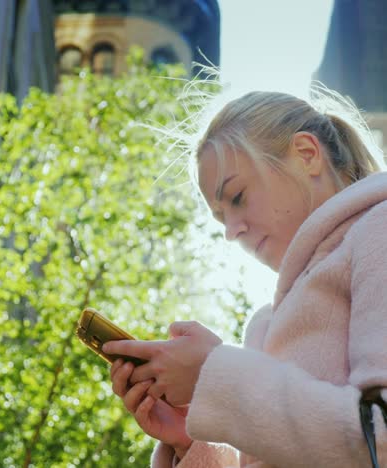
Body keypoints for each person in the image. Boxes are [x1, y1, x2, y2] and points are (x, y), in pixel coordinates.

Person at [102, 86, 387, 467]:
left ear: (307, 154)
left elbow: (379, 437)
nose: (231, 231)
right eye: (220, 218)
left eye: (236, 197)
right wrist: (192, 441)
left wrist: (214, 375)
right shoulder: (265, 326)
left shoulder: (378, 230)